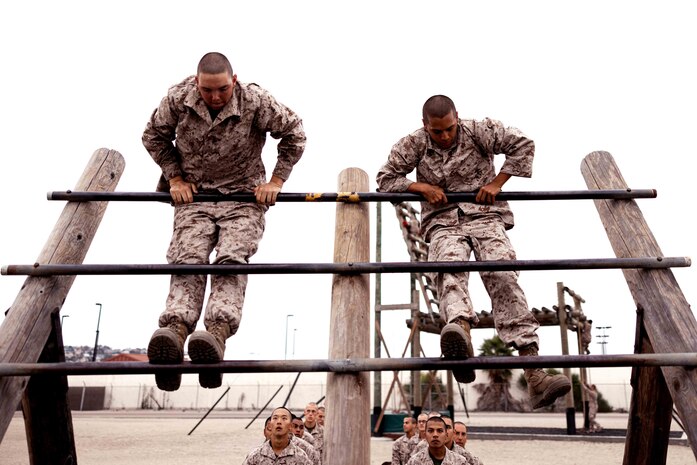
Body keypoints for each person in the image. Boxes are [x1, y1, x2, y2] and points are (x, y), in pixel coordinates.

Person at [376, 95, 571, 409]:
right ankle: (460, 340)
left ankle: (535, 374)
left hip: (484, 215)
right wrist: (421, 187)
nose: (444, 137)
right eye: (437, 132)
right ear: (425, 125)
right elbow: (385, 179)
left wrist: (497, 183)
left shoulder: (480, 130)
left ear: (457, 118)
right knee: (448, 269)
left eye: (449, 129)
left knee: (504, 277)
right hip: (442, 221)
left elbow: (523, 144)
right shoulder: (412, 144)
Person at [143, 52, 306, 391]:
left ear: (234, 81)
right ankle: (174, 332)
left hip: (243, 197)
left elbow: (295, 133)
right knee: (187, 260)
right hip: (195, 195)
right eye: (207, 90)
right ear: (196, 82)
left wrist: (276, 182)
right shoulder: (177, 98)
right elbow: (153, 136)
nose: (215, 97)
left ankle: (215, 336)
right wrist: (174, 178)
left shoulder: (256, 100)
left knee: (231, 260)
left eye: (221, 90)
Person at [243, 407, 312, 464]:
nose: (279, 422)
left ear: (290, 426)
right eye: (275, 418)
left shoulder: (301, 458)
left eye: (284, 418)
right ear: (270, 426)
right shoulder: (255, 456)